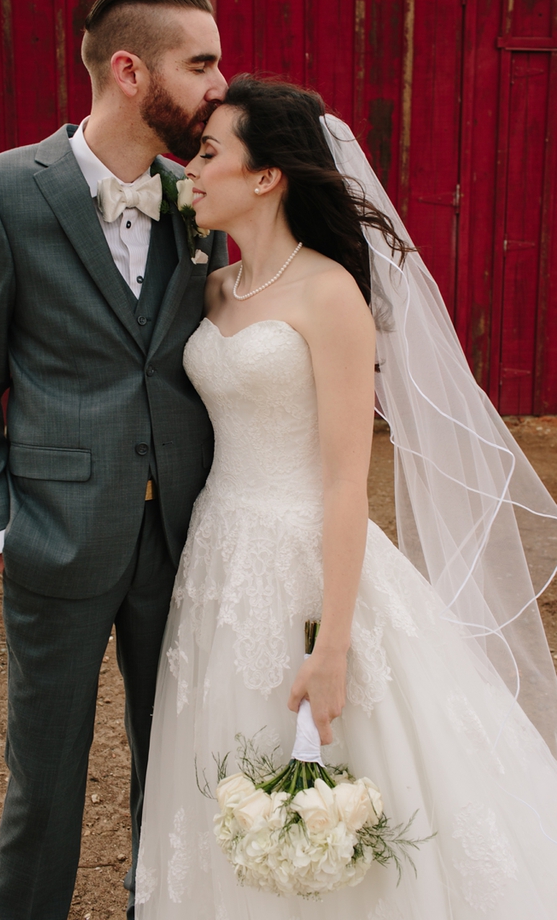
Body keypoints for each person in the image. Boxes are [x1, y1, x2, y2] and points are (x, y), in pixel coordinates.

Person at [135, 76, 557, 919]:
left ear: (266, 176)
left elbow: (341, 481)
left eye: (209, 153)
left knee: (350, 764)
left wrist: (330, 647)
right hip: (217, 558)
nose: (191, 171)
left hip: (309, 558)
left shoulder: (330, 294)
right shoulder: (213, 287)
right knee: (223, 750)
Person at [0, 0, 227, 920]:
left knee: (176, 764)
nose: (219, 84)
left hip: (181, 537)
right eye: (200, 64)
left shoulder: (202, 199)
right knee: (46, 782)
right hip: (54, 536)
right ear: (129, 69)